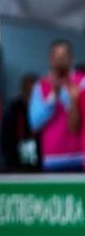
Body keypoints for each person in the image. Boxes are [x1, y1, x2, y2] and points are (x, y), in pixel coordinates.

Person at [29, 39, 85, 171]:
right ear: (50, 59)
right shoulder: (40, 86)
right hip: (52, 158)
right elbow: (34, 124)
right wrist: (53, 96)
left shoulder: (82, 82)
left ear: (71, 58)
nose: (60, 60)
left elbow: (78, 122)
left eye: (64, 56)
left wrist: (68, 96)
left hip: (80, 156)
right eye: (56, 56)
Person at [0, 73, 41, 171]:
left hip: (39, 157)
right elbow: (6, 135)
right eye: (28, 89)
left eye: (33, 90)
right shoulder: (14, 108)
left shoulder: (42, 109)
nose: (30, 92)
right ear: (23, 89)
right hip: (16, 158)